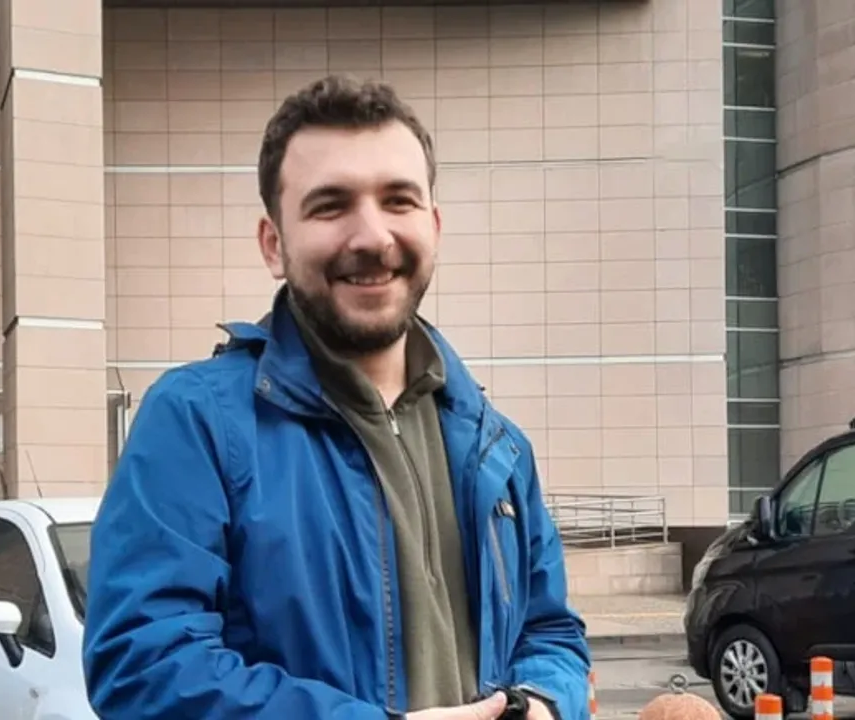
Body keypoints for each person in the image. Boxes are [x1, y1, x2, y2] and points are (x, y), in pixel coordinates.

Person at [82, 74, 591, 720]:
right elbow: (144, 665)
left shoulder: (498, 445)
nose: (372, 237)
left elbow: (552, 632)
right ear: (274, 244)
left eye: (398, 201)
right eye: (330, 206)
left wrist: (543, 703)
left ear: (434, 226)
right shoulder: (196, 423)